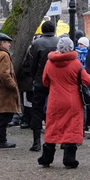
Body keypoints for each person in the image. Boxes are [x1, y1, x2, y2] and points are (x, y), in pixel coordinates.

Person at [38, 37, 90, 168]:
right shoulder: (75, 63)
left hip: (55, 99)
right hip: (72, 100)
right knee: (72, 127)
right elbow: (86, 80)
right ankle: (69, 159)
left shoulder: (49, 63)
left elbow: (45, 81)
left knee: (52, 126)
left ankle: (47, 157)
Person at [28, 21, 60, 151]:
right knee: (57, 110)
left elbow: (32, 64)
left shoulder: (37, 44)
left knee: (37, 109)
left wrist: (35, 76)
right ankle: (59, 139)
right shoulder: (59, 42)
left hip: (40, 81)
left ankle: (37, 142)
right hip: (57, 82)